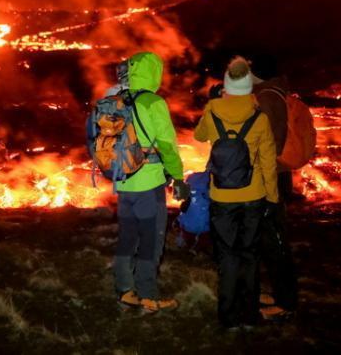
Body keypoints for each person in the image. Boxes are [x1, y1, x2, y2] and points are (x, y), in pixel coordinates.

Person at [194, 57, 278, 329]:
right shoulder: (260, 118)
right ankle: (250, 316)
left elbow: (198, 136)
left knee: (227, 256)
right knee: (250, 255)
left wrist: (213, 105)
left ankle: (228, 317)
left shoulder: (212, 112)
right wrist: (272, 197)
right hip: (253, 196)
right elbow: (268, 161)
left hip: (222, 197)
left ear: (227, 86)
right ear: (248, 87)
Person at [113, 51, 188, 313]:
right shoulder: (153, 102)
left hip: (122, 184)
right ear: (154, 72)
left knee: (126, 238)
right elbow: (167, 146)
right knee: (151, 241)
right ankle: (148, 296)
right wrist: (178, 177)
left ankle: (124, 291)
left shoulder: (117, 100)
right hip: (148, 185)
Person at [250, 56, 298, 318]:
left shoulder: (266, 98)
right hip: (274, 176)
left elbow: (270, 143)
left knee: (274, 241)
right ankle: (276, 294)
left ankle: (286, 302)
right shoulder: (273, 93)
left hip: (269, 178)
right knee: (265, 238)